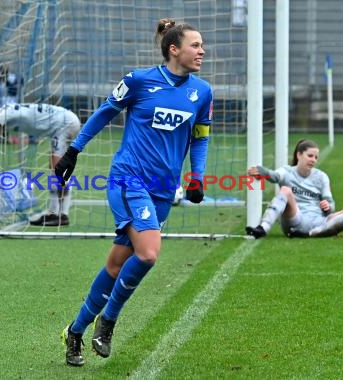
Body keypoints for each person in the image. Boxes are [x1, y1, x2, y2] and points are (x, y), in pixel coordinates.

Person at [54, 18, 212, 367]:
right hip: (128, 180)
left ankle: (76, 331)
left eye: (202, 46)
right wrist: (74, 150)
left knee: (115, 265)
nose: (202, 51)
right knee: (149, 253)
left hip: (162, 190)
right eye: (195, 45)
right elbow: (103, 113)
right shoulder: (139, 80)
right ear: (175, 49)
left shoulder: (202, 92)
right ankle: (108, 321)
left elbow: (200, 137)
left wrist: (197, 176)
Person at [245, 139, 343, 239]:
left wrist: (327, 206)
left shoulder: (322, 177)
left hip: (319, 221)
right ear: (299, 155)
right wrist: (264, 172)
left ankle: (311, 233)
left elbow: (331, 206)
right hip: (296, 220)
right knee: (286, 190)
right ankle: (263, 228)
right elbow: (275, 176)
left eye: (316, 157)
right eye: (310, 156)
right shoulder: (287, 171)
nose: (313, 160)